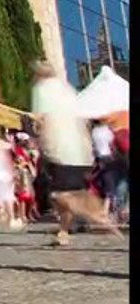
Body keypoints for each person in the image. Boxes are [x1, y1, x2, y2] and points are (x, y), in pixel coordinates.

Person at [30, 62, 120, 246]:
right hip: (82, 151)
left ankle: (97, 215)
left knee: (60, 196)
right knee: (70, 193)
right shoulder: (67, 89)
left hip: (61, 150)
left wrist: (34, 121)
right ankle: (64, 233)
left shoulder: (42, 89)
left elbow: (41, 119)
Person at [90, 120, 120, 218]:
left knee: (98, 182)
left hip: (97, 158)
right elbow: (113, 145)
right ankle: (105, 210)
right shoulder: (107, 131)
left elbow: (93, 146)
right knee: (110, 184)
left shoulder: (94, 131)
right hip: (109, 158)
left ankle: (99, 208)